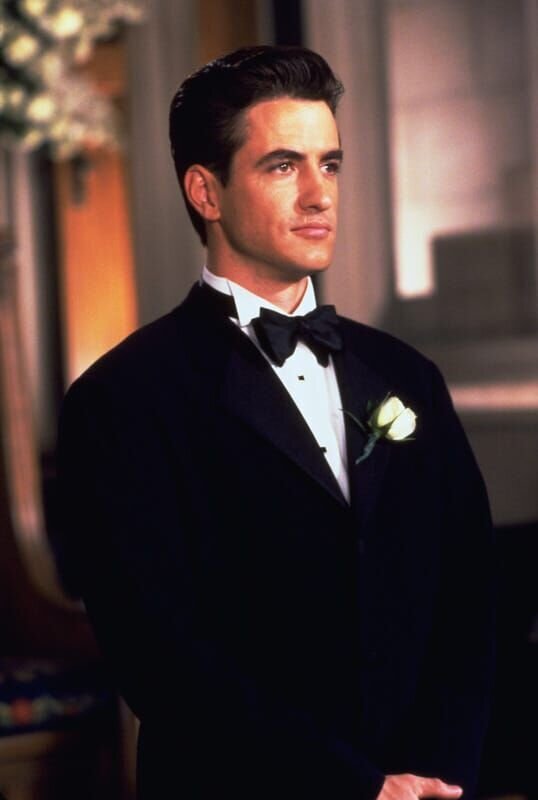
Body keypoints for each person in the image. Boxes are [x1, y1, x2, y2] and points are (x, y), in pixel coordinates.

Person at [57, 45, 495, 800]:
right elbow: (162, 659)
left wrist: (438, 777)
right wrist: (356, 786)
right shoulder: (121, 399)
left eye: (330, 164)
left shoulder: (407, 375)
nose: (320, 195)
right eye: (284, 166)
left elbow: (469, 597)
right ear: (206, 192)